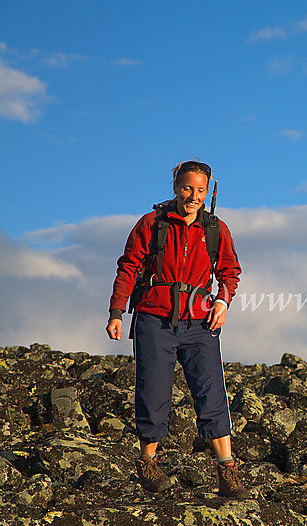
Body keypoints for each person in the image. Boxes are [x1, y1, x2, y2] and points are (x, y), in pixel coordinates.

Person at [106, 160, 249, 498]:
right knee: (153, 392)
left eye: (200, 190)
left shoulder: (215, 229)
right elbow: (128, 267)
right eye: (188, 188)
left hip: (201, 322)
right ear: (175, 187)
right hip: (154, 319)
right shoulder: (151, 223)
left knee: (211, 392)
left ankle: (227, 471)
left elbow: (230, 273)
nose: (193, 196)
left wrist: (222, 303)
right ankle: (147, 463)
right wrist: (116, 311)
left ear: (208, 190)